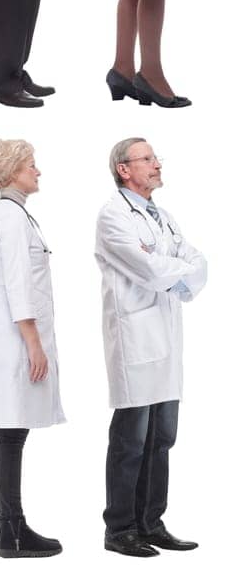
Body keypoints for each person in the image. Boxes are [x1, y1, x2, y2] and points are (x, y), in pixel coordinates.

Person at [95, 139, 206, 557]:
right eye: (148, 159)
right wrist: (173, 271)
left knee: (163, 438)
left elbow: (198, 262)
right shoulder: (112, 216)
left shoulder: (164, 216)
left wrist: (172, 271)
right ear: (124, 169)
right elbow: (148, 266)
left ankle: (151, 523)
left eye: (156, 158)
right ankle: (120, 529)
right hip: (136, 339)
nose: (157, 164)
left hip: (166, 336)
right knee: (131, 441)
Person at [0, 139, 63, 557]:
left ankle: (13, 528)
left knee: (14, 433)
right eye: (31, 165)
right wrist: (34, 344)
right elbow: (17, 286)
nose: (38, 171)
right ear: (12, 172)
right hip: (15, 337)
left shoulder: (16, 214)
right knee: (10, 435)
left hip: (17, 333)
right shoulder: (10, 218)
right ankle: (11, 531)